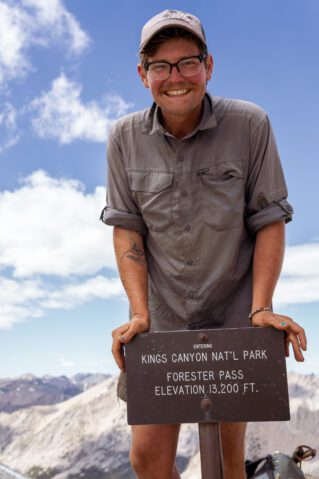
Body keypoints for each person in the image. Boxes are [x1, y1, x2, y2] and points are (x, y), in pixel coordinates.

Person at [100, 9, 307, 479]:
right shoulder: (123, 138)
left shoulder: (251, 124)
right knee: (147, 460)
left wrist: (260, 309)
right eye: (160, 65)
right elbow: (127, 227)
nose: (175, 77)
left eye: (187, 62)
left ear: (208, 66)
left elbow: (269, 218)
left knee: (228, 463)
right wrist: (138, 314)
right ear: (143, 75)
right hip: (161, 323)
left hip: (236, 318)